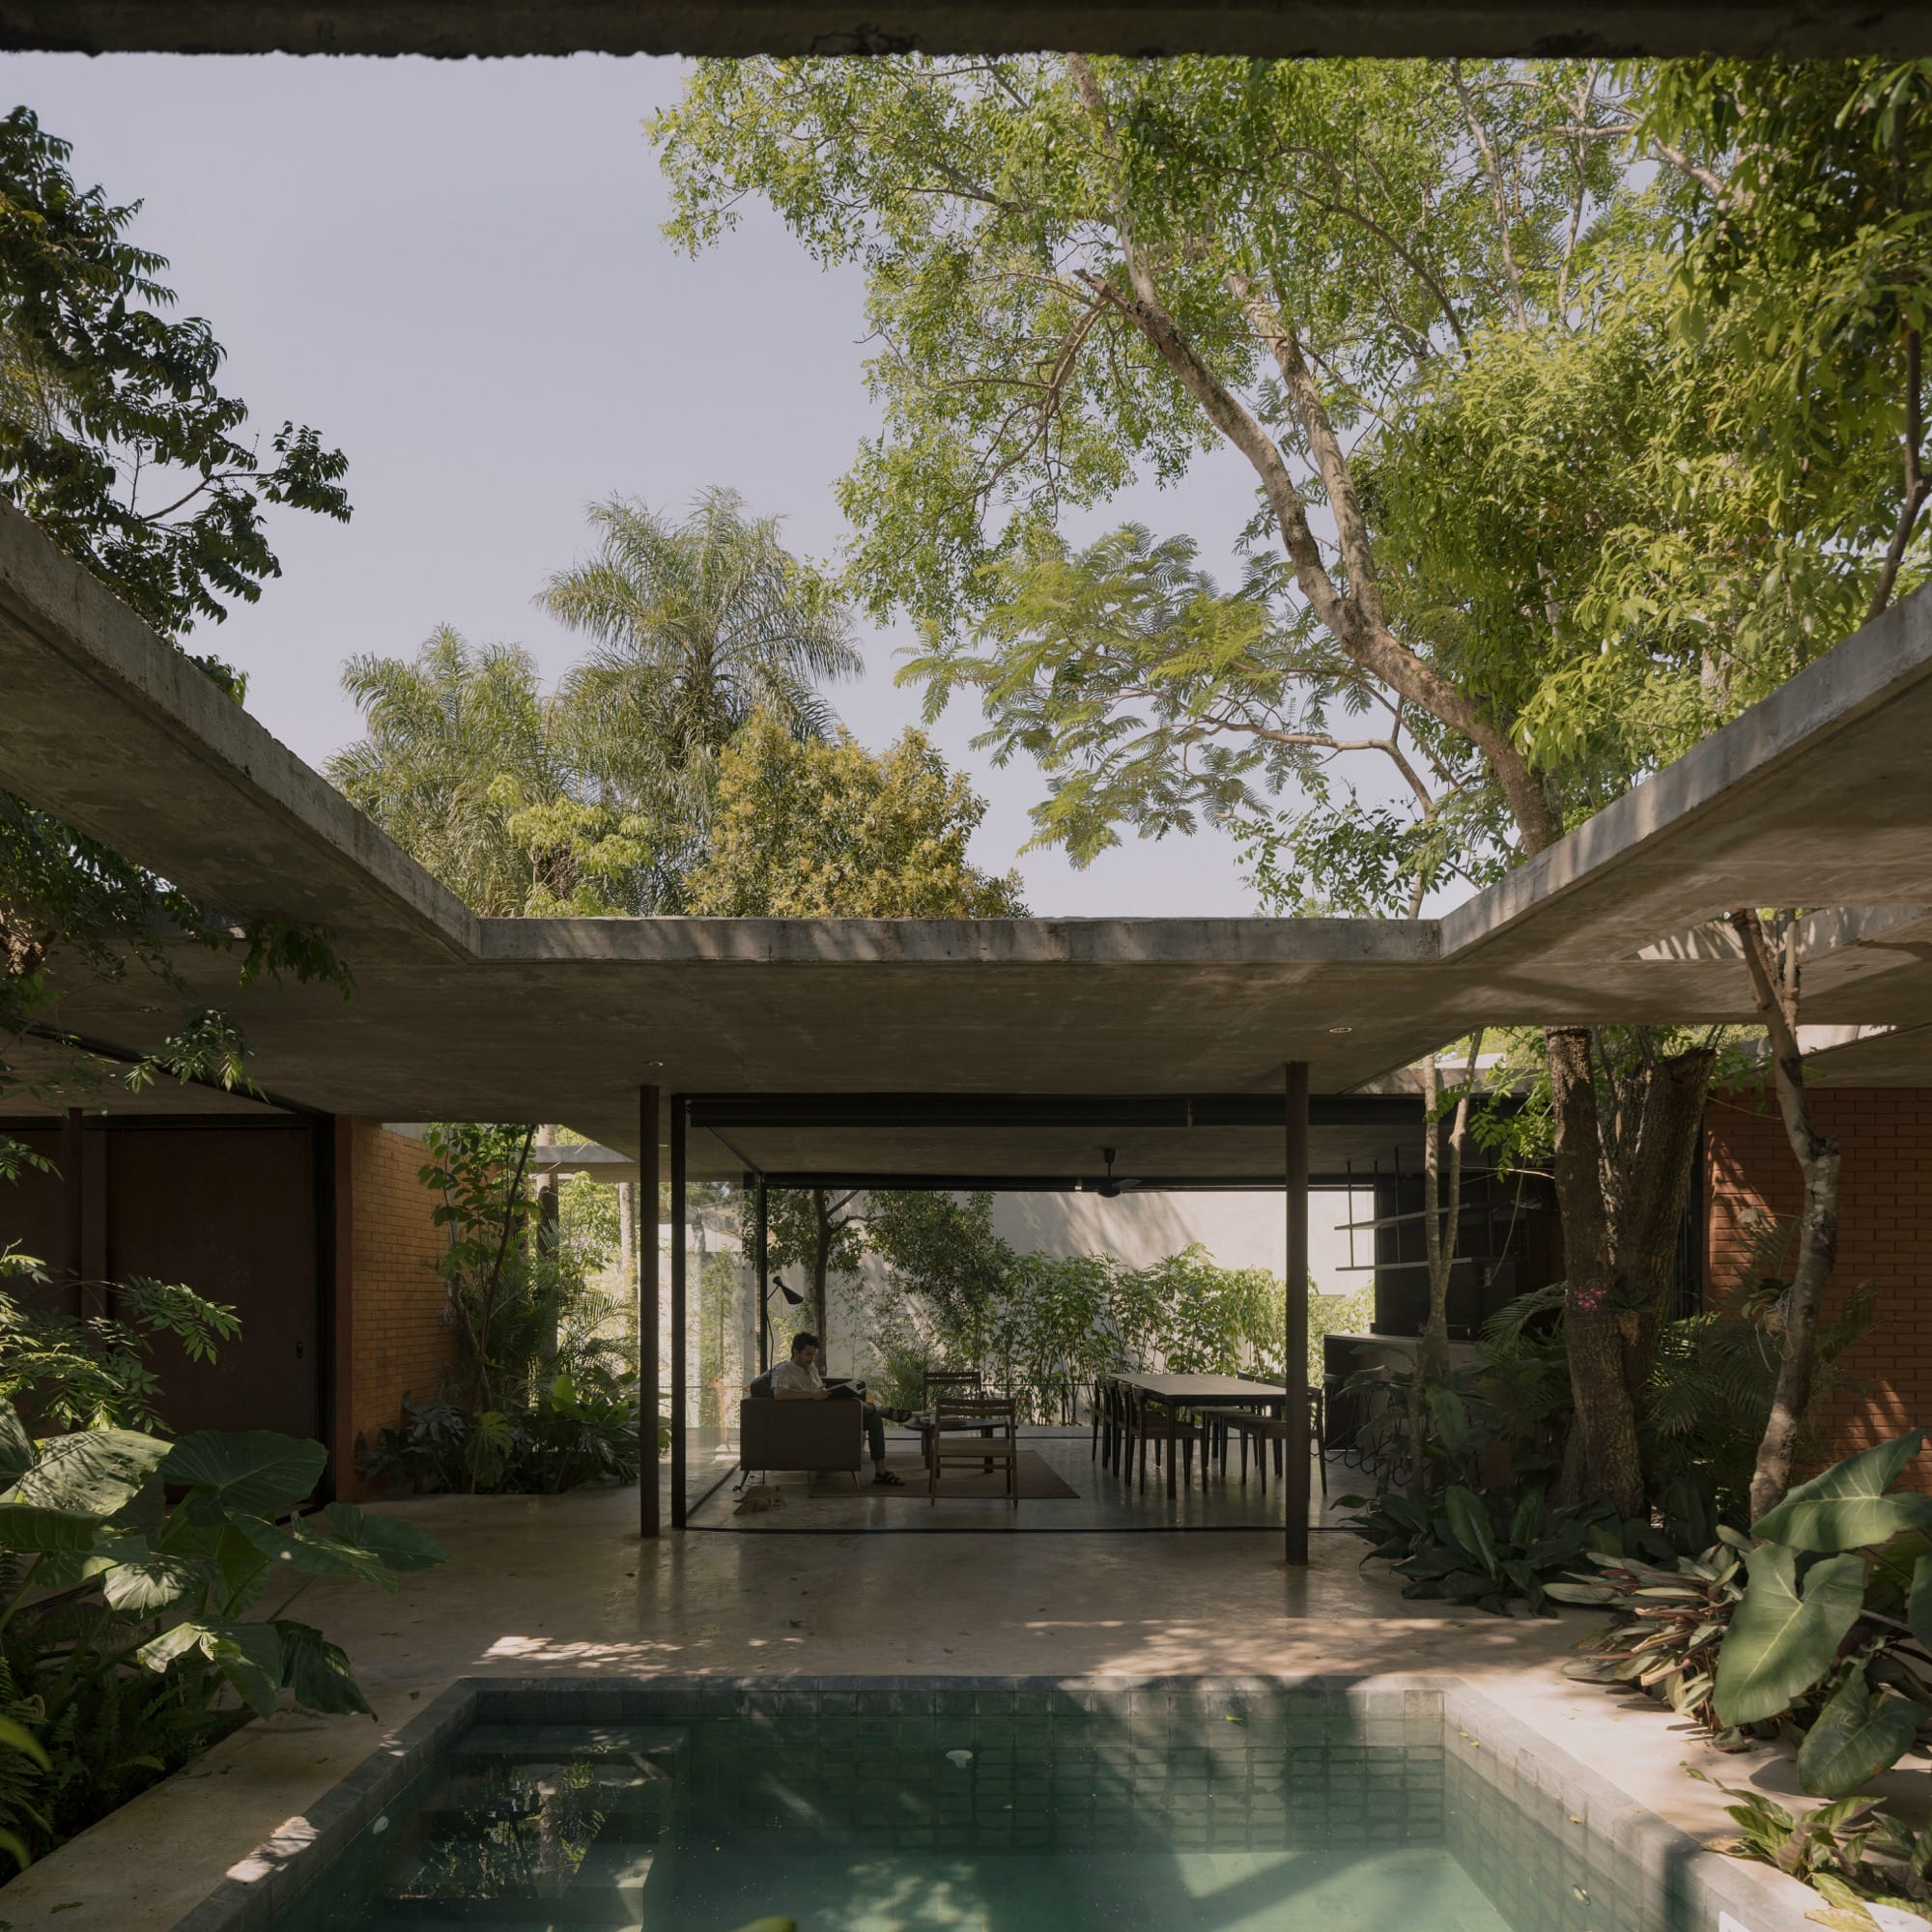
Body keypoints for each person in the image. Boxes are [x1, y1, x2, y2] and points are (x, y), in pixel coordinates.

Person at [771, 1332, 904, 1485]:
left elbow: (818, 1386)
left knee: (874, 1420)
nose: (812, 1358)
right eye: (808, 1354)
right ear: (795, 1352)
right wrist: (813, 1395)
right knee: (866, 1409)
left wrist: (825, 1391)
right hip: (815, 1417)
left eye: (814, 1354)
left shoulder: (810, 1366)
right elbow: (778, 1394)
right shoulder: (783, 1371)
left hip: (829, 1410)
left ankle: (881, 1472)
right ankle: (882, 1409)